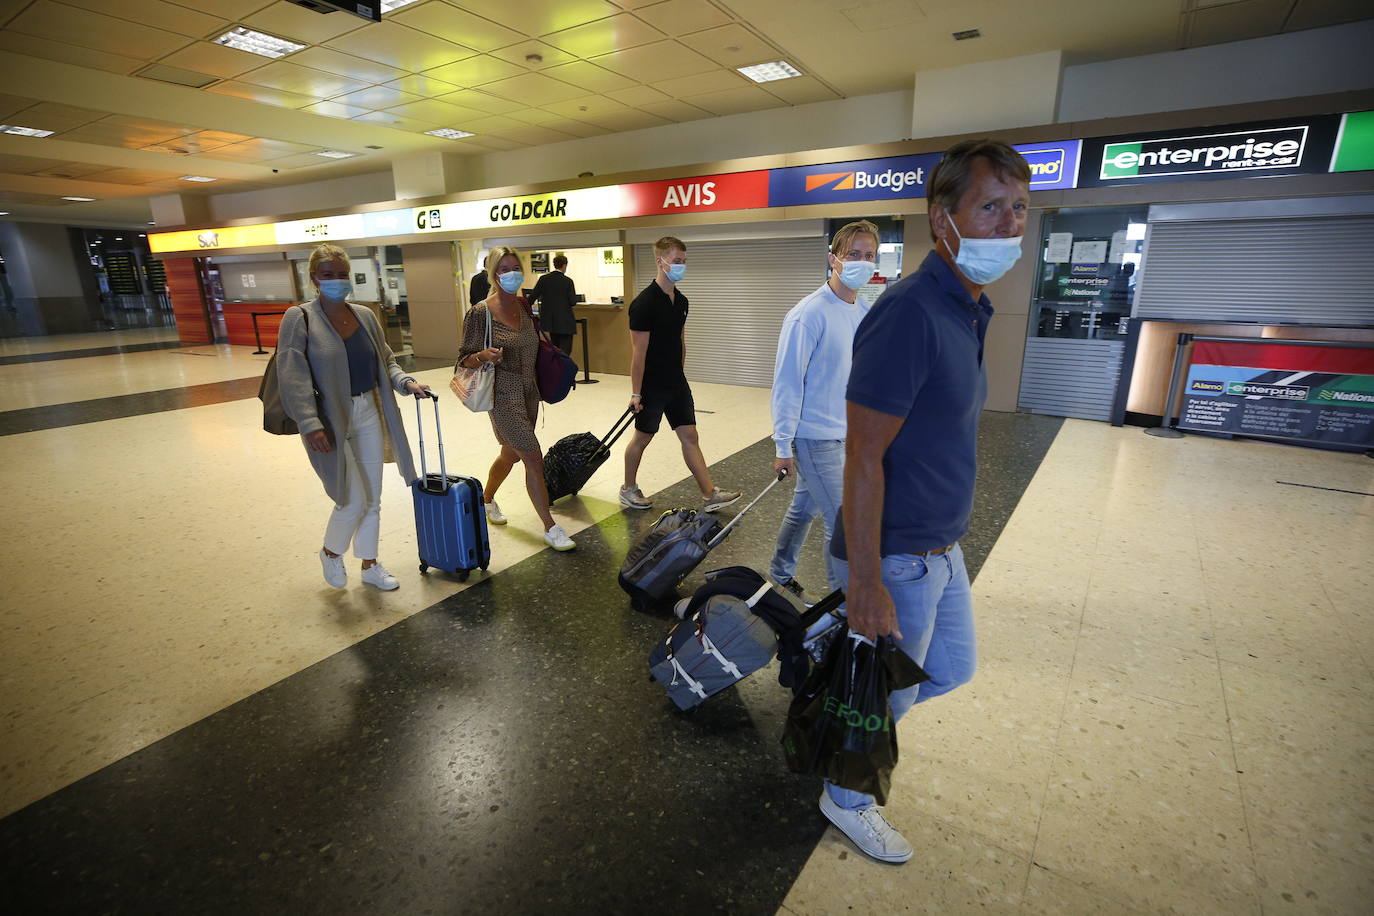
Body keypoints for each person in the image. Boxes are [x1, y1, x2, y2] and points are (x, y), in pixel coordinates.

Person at [821, 140, 1031, 863]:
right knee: (884, 696)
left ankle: (845, 700)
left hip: (944, 547)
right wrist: (867, 581)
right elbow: (863, 454)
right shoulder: (910, 311)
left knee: (948, 671)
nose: (1009, 225)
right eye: (990, 207)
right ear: (943, 219)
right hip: (900, 555)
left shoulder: (970, 307)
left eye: (1018, 209)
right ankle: (843, 794)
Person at [276, 243, 432, 591]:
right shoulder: (299, 317)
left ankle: (370, 564)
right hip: (329, 420)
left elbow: (386, 360)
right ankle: (331, 552)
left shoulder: (364, 316)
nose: (336, 280)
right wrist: (309, 422)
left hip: (367, 411)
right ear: (314, 279)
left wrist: (404, 381)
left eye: (341, 274)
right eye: (328, 275)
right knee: (352, 498)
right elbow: (292, 375)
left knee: (373, 497)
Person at [768, 220, 878, 603]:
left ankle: (778, 573)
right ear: (834, 259)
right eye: (853, 255)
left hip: (847, 433)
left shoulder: (863, 310)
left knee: (805, 507)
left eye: (868, 256)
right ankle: (841, 609)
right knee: (843, 522)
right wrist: (783, 443)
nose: (862, 262)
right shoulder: (808, 314)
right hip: (816, 438)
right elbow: (787, 382)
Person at [457, 245, 576, 551]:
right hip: (502, 395)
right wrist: (482, 355)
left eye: (515, 268)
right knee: (533, 457)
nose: (511, 274)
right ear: (493, 274)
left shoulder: (523, 306)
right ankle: (550, 527)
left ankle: (485, 499)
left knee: (511, 454)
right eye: (503, 269)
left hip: (529, 392)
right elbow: (463, 360)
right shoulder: (480, 312)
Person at [620, 236, 740, 514]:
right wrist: (636, 392)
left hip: (676, 382)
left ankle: (709, 494)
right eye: (676, 262)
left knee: (690, 435)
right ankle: (628, 488)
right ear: (660, 262)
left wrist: (680, 378)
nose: (681, 266)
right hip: (651, 384)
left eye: (684, 262)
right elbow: (638, 353)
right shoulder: (644, 304)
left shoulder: (682, 301)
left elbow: (680, 342)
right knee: (642, 437)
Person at [528, 254, 578, 354]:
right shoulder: (568, 281)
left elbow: (532, 297)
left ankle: (557, 369)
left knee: (555, 351)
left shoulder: (543, 279)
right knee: (565, 353)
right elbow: (573, 302)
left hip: (550, 323)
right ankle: (564, 369)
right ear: (564, 265)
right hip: (565, 323)